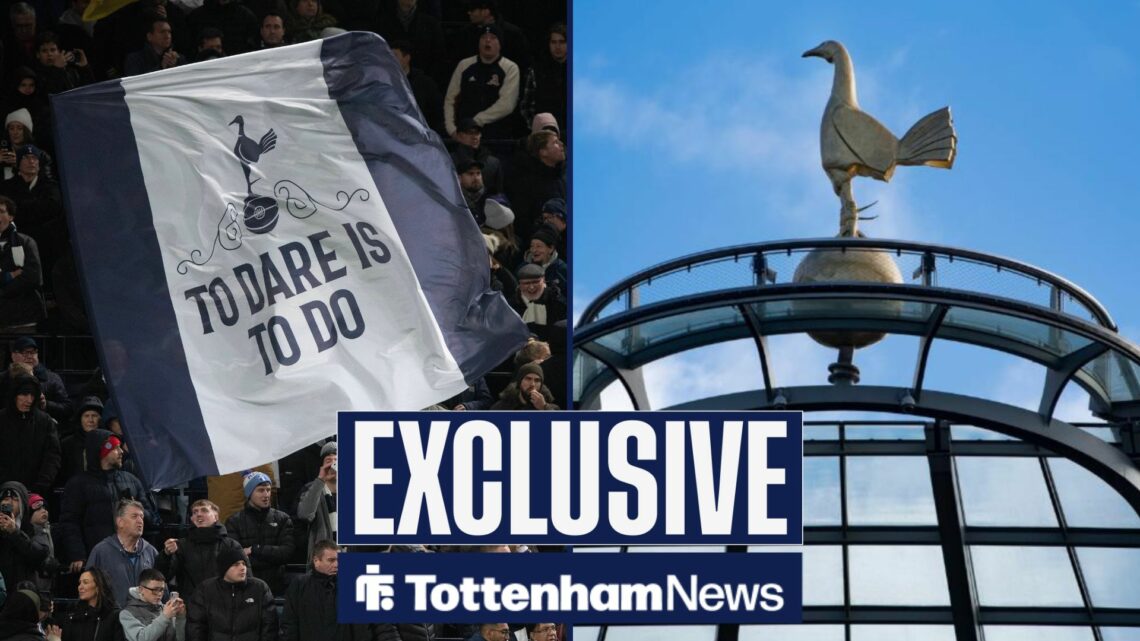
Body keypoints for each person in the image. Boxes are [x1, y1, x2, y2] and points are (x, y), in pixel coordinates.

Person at [59, 429, 159, 576]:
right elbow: (69, 522)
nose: (121, 452)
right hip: (97, 559)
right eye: (115, 448)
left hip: (132, 557)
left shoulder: (132, 481)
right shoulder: (78, 484)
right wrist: (77, 554)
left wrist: (138, 510)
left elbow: (153, 519)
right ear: (101, 452)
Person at [443, 23, 519, 141]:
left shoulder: (510, 67)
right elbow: (451, 99)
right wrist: (452, 129)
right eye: (484, 37)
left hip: (497, 136)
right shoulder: (464, 65)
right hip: (464, 134)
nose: (487, 41)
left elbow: (507, 104)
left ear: (500, 44)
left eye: (493, 37)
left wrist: (477, 120)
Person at [224, 472, 294, 595]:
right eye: (261, 490)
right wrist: (272, 557)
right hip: (245, 587)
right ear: (249, 493)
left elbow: (286, 553)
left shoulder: (283, 519)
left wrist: (254, 549)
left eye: (268, 490)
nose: (266, 495)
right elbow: (236, 557)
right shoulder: (233, 521)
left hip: (277, 586)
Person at [155, 500, 242, 599]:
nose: (199, 514)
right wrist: (166, 555)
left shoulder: (231, 545)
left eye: (204, 510)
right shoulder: (181, 546)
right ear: (191, 518)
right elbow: (162, 577)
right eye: (195, 512)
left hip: (224, 603)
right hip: (191, 605)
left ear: (216, 517)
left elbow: (245, 578)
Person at [186, 548, 276, 641]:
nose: (242, 568)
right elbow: (195, 629)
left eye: (244, 563)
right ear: (224, 568)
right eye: (236, 564)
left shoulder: (259, 588)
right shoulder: (205, 590)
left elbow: (269, 629)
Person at [86, 500, 159, 608]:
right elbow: (88, 590)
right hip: (112, 617)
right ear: (120, 522)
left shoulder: (151, 552)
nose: (140, 521)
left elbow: (161, 591)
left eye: (141, 517)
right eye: (134, 516)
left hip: (146, 617)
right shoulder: (101, 551)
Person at [0, 375, 60, 496]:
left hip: (37, 493)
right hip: (3, 491)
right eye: (24, 394)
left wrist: (40, 486)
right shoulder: (1, 419)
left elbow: (52, 456)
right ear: (14, 395)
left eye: (32, 395)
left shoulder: (45, 421)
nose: (29, 400)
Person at [1, 336, 72, 423]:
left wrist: (46, 404)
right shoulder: (3, 379)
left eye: (33, 352)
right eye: (25, 352)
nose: (29, 356)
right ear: (13, 355)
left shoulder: (51, 378)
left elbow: (67, 409)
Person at [0, 195, 45, 329]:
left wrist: (2, 292)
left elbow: (33, 277)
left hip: (24, 317)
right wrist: (11, 275)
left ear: (11, 217)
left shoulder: (26, 242)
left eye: (1, 211)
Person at [520, 23, 566, 137]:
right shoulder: (536, 70)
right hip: (544, 136)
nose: (557, 47)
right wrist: (538, 129)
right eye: (553, 42)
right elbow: (526, 106)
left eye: (562, 42)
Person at [0, 482, 49, 588]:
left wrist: (15, 532)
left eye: (15, 499)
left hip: (23, 588)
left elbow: (41, 553)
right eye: (6, 499)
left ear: (22, 503)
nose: (9, 503)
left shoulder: (32, 526)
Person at [119, 568, 186, 641]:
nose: (159, 594)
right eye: (155, 590)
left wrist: (180, 618)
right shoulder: (127, 613)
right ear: (141, 589)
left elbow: (180, 638)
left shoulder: (166, 610)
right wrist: (164, 617)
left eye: (162, 590)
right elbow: (141, 638)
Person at [296, 442, 336, 563]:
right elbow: (305, 514)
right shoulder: (312, 488)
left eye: (336, 461)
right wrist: (320, 479)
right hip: (323, 559)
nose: (332, 465)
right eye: (328, 461)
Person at [62, 567, 124, 641]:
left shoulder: (115, 616)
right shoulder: (74, 614)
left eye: (85, 582)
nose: (80, 587)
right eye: (80, 583)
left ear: (98, 587)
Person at [520, 227, 566, 299]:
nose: (534, 250)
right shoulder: (523, 268)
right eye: (532, 246)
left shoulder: (561, 269)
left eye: (539, 246)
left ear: (551, 249)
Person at [491, 363, 557, 411]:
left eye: (537, 380)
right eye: (528, 379)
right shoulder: (501, 408)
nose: (532, 384)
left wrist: (544, 407)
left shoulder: (553, 408)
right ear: (519, 381)